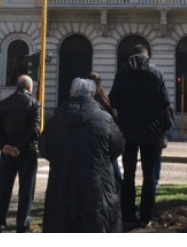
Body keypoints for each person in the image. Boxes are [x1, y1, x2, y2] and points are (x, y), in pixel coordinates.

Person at [40, 77, 125, 232]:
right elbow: (118, 146)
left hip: (62, 184)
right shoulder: (104, 119)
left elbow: (44, 148)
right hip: (98, 184)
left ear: (71, 93)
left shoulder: (55, 119)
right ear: (92, 94)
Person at [109, 44, 172, 229]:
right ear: (148, 55)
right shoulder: (156, 73)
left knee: (128, 175)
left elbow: (113, 100)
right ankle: (145, 216)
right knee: (149, 175)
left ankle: (128, 215)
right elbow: (165, 103)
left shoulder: (123, 72)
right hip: (151, 133)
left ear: (132, 55)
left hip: (127, 131)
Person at [0, 75, 41, 233]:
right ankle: (23, 224)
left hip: (7, 153)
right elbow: (35, 130)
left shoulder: (3, 104)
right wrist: (19, 147)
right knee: (26, 190)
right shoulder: (34, 104)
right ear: (29, 88)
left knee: (3, 189)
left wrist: (4, 146)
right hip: (26, 152)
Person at [90, 71, 122, 189]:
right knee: (114, 175)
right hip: (108, 142)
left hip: (98, 143)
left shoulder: (94, 102)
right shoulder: (106, 98)